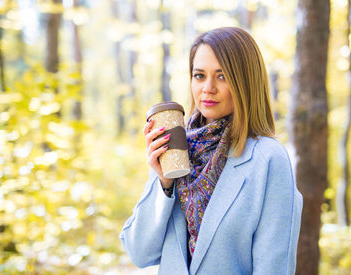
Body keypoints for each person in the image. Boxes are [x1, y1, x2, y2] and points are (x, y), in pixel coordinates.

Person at [120, 27, 303, 275]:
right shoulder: (176, 150)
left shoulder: (268, 158)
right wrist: (163, 182)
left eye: (222, 76)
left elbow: (273, 267)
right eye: (199, 75)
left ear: (245, 82)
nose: (208, 88)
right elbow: (140, 253)